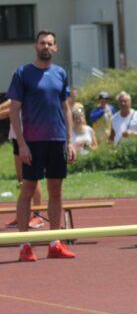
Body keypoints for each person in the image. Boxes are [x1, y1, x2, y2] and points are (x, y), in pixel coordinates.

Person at [7, 29, 78, 262]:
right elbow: (14, 111)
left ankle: (54, 243)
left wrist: (70, 141)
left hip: (57, 140)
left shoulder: (60, 73)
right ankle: (24, 245)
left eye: (49, 43)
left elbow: (66, 108)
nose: (45, 46)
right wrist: (22, 144)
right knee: (28, 188)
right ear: (35, 46)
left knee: (56, 190)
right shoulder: (22, 73)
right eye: (42, 43)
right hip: (33, 142)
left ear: (55, 47)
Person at [0, 99, 45, 229]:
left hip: (30, 135)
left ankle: (38, 216)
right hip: (17, 136)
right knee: (22, 179)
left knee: (32, 178)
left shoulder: (31, 88)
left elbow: (14, 107)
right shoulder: (18, 88)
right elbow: (11, 101)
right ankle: (23, 214)